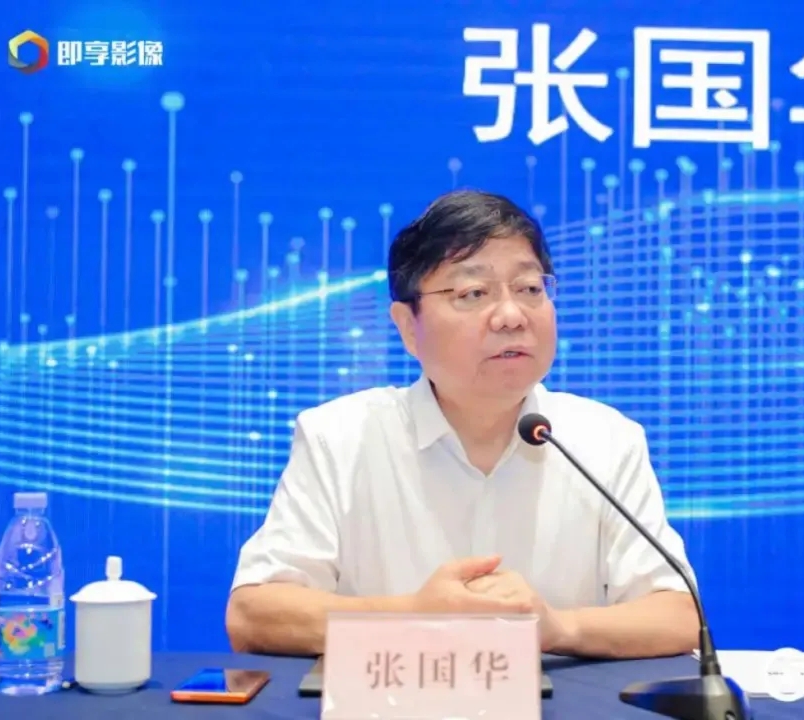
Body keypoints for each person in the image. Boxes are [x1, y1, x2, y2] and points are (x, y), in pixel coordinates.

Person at [226, 189, 700, 659]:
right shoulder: (339, 438)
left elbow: (677, 616)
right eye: (473, 293)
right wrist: (413, 616)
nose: (511, 316)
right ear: (408, 327)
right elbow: (253, 614)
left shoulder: (605, 440)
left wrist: (557, 627)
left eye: (530, 289)